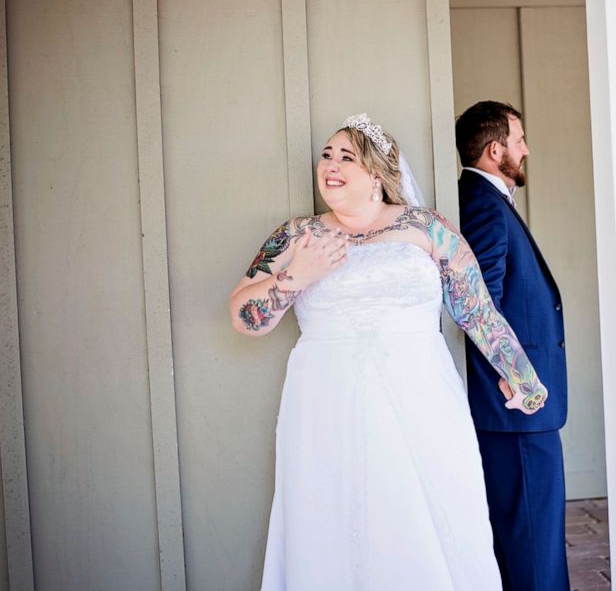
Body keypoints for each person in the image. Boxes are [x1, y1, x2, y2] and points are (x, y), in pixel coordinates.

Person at [229, 113, 548, 590]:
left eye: (346, 157)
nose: (330, 165)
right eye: (326, 156)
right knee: (334, 521)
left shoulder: (428, 229)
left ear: (376, 174)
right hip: (326, 404)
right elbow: (243, 316)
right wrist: (296, 275)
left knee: (424, 519)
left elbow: (477, 312)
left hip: (421, 399)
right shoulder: (295, 237)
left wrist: (519, 373)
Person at [456, 102, 569, 590]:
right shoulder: (483, 205)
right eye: (519, 140)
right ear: (494, 149)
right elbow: (482, 308)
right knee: (531, 543)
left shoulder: (488, 200)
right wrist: (520, 383)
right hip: (516, 407)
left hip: (518, 408)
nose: (526, 150)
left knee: (529, 538)